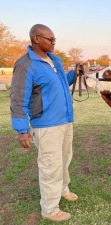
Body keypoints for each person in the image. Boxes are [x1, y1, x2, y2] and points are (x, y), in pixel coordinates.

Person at [10, 24, 78, 222]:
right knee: (51, 166)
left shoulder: (54, 60)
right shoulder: (25, 64)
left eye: (55, 39)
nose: (54, 43)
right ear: (36, 38)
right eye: (51, 39)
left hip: (65, 121)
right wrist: (22, 129)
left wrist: (74, 74)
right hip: (46, 125)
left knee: (65, 159)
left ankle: (63, 189)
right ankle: (49, 209)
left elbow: (60, 83)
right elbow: (18, 97)